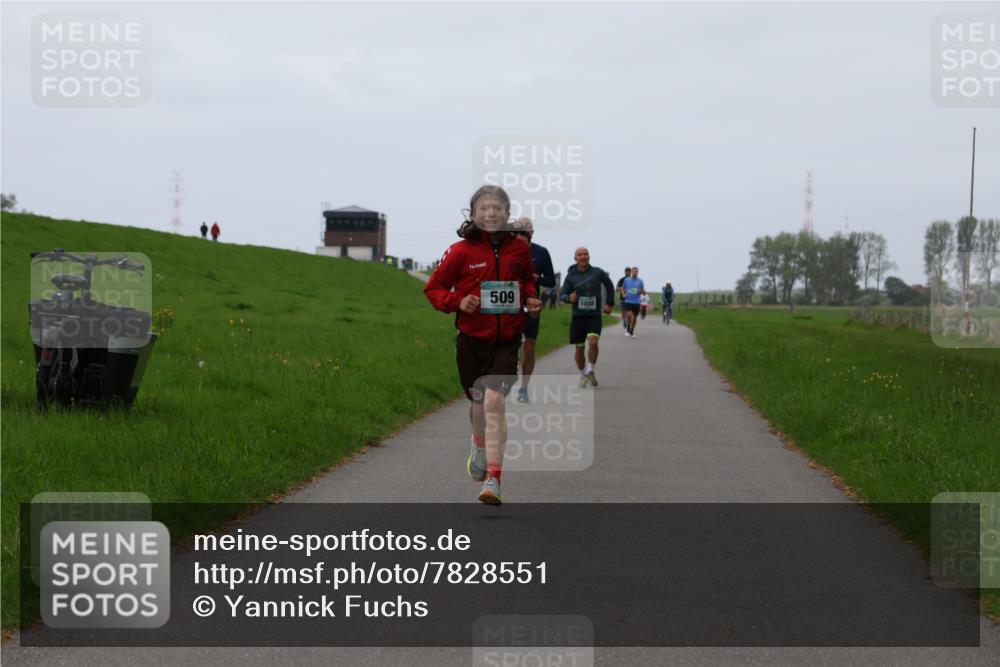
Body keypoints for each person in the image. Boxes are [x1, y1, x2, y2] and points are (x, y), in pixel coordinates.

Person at [424, 185, 542, 505]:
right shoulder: (460, 251)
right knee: (478, 403)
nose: (491, 213)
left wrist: (531, 298)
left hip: (506, 341)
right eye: (484, 208)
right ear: (473, 214)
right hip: (471, 341)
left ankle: (494, 478)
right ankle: (478, 445)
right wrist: (458, 302)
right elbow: (434, 289)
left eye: (497, 208)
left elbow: (527, 280)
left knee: (494, 400)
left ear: (507, 213)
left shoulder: (519, 249)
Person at [512, 218, 555, 404]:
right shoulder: (506, 250)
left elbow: (551, 280)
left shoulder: (541, 252)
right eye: (518, 229)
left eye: (525, 229)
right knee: (509, 346)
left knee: (529, 348)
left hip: (531, 305)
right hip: (509, 305)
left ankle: (523, 388)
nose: (521, 232)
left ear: (532, 232)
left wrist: (537, 278)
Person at [560, 248, 615, 388]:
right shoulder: (571, 276)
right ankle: (583, 374)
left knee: (593, 341)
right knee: (579, 348)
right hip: (578, 316)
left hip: (594, 315)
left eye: (585, 254)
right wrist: (569, 298)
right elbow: (563, 294)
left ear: (589, 256)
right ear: (575, 258)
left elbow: (609, 286)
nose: (583, 257)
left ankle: (590, 369)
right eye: (580, 255)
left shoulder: (598, 272)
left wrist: (609, 303)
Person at [622, 266, 646, 337]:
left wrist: (641, 291)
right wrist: (623, 294)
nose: (635, 273)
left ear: (638, 272)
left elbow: (643, 291)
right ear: (631, 272)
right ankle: (628, 329)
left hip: (637, 302)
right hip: (628, 300)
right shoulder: (627, 280)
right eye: (633, 271)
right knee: (629, 315)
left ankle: (632, 331)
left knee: (634, 318)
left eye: (636, 271)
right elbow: (622, 288)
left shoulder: (640, 281)